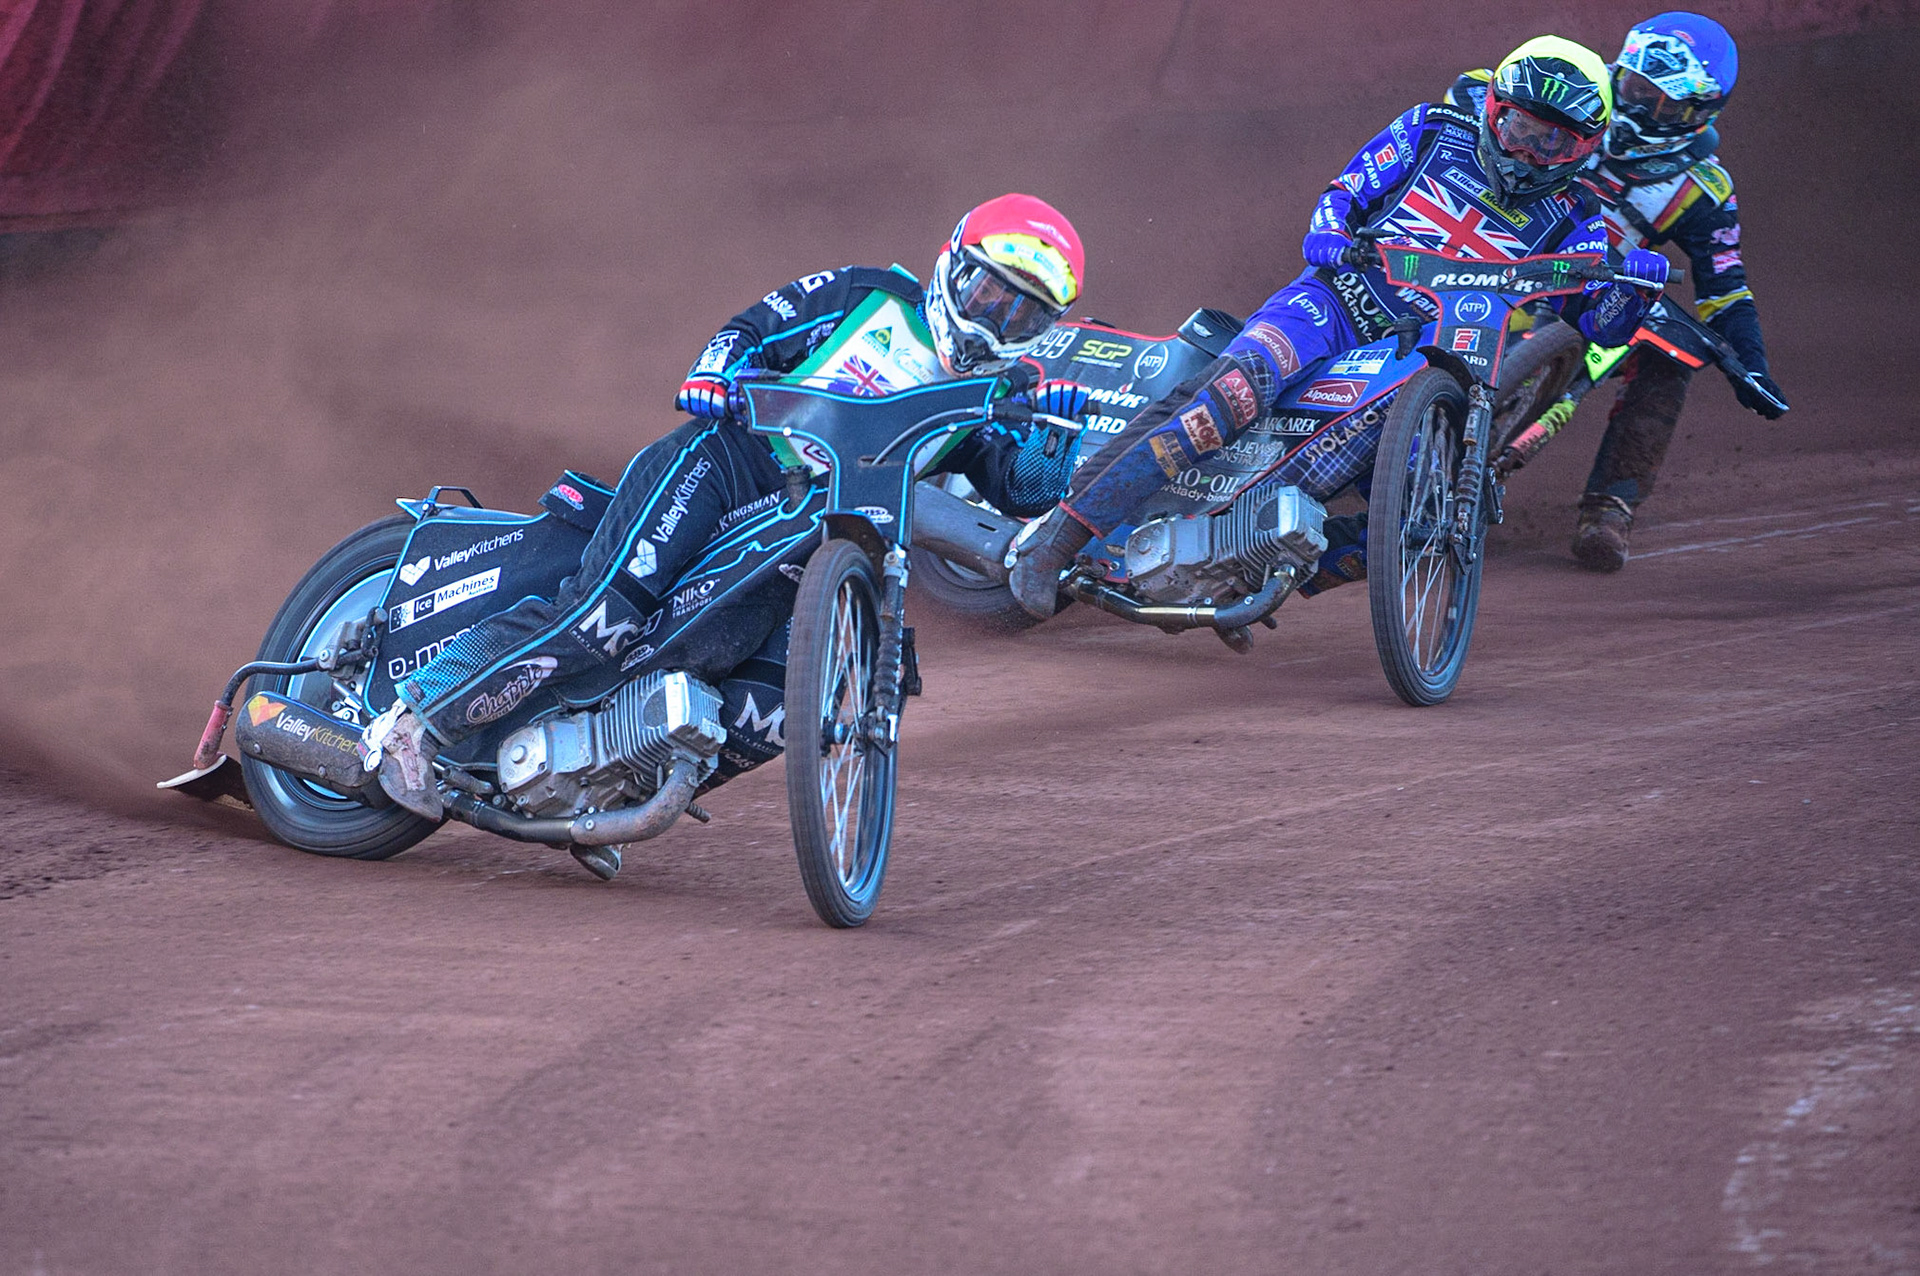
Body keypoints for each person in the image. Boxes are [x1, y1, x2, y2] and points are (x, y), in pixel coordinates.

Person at [361, 194, 1092, 823]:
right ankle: (416, 723)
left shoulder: (1002, 393)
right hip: (726, 465)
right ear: (952, 268)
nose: (999, 322)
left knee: (765, 701)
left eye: (1025, 316)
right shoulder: (867, 296)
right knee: (601, 619)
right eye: (991, 295)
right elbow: (750, 331)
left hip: (800, 545)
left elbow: (1019, 489)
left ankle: (613, 779)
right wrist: (715, 374)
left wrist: (1057, 434)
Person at [1009, 37, 1670, 618]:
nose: (1528, 151)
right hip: (1336, 301)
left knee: (1419, 511)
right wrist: (1330, 235)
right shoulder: (1432, 129)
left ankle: (1247, 575)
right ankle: (1055, 542)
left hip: (1425, 353)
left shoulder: (1580, 214)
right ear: (1495, 108)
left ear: (1583, 146)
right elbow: (1344, 195)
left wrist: (1634, 289)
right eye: (1520, 128)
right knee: (1227, 402)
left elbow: (1601, 326)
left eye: (1551, 141)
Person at [1449, 13, 1789, 571]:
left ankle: (1610, 508)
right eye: (1634, 87)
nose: (1638, 109)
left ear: (1699, 112)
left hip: (1592, 288)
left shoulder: (1704, 189)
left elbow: (1725, 291)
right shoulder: (1577, 94)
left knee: (1671, 353)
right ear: (1619, 70)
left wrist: (1751, 364)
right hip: (1490, 249)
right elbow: (1487, 91)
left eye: (1663, 104)